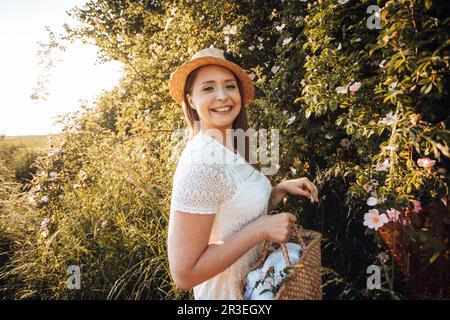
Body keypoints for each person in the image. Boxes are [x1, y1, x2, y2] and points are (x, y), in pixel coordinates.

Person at [167, 47, 319, 299]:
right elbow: (184, 274)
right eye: (208, 88)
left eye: (229, 86)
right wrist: (261, 229)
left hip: (256, 287)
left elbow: (233, 214)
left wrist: (277, 190)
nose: (222, 96)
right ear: (191, 99)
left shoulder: (232, 145)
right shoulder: (201, 163)